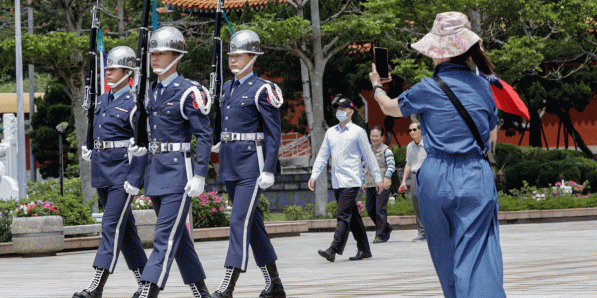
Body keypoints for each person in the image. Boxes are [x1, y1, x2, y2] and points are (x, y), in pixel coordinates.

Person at [368, 11, 505, 298]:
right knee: (477, 255)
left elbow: (390, 108)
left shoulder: (427, 88)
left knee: (445, 255)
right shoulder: (484, 86)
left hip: (435, 177)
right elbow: (492, 135)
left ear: (438, 53)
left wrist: (377, 85)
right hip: (474, 175)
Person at [125, 26, 212, 298]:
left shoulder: (188, 92)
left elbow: (204, 134)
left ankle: (148, 290)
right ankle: (201, 292)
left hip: (178, 173)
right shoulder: (149, 91)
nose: (155, 59)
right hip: (154, 172)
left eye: (161, 53)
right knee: (179, 238)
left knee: (164, 236)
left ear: (176, 56)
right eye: (153, 53)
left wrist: (200, 174)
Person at [210, 30, 286, 298]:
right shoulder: (227, 88)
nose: (232, 60)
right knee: (252, 224)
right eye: (231, 55)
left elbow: (273, 132)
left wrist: (268, 168)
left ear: (252, 58)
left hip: (251, 166)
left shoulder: (263, 89)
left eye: (238, 55)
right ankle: (274, 283)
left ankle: (228, 285)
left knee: (238, 221)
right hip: (230, 164)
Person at [74, 46, 147, 298]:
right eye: (107, 69)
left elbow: (141, 145)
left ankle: (96, 286)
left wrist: (135, 178)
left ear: (128, 73)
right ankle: (145, 283)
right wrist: (88, 147)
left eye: (114, 69)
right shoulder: (101, 100)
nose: (108, 73)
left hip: (122, 175)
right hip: (102, 171)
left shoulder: (135, 103)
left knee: (110, 225)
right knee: (126, 232)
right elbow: (97, 133)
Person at [309, 98, 384, 262]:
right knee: (354, 216)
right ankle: (365, 249)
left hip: (352, 180)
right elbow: (322, 156)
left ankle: (333, 249)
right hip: (337, 181)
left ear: (350, 112)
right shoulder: (330, 132)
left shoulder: (358, 132)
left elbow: (369, 156)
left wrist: (378, 179)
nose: (339, 112)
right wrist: (314, 175)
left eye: (343, 109)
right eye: (338, 109)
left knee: (342, 215)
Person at [361, 126, 395, 243]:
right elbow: (363, 166)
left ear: (382, 137)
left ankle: (380, 235)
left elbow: (391, 165)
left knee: (380, 209)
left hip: (382, 184)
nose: (374, 138)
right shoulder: (366, 150)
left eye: (376, 136)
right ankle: (386, 227)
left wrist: (387, 177)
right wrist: (363, 181)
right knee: (370, 209)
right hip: (370, 184)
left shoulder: (386, 150)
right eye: (372, 136)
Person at [399, 121, 427, 241]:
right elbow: (408, 164)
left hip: (428, 175)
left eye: (414, 129)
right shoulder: (410, 146)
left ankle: (433, 231)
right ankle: (422, 232)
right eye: (410, 130)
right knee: (416, 201)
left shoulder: (429, 143)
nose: (411, 132)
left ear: (421, 130)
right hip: (415, 176)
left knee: (430, 202)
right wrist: (404, 181)